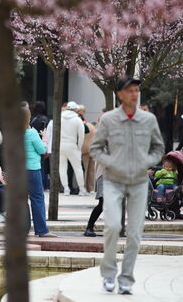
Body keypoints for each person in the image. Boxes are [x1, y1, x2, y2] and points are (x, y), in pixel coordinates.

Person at [90, 77, 164, 295]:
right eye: (130, 90)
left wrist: (147, 162)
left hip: (140, 182)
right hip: (113, 181)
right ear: (120, 94)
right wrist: (111, 162)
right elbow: (96, 148)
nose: (134, 94)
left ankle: (126, 279)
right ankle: (109, 274)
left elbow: (159, 149)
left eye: (136, 90)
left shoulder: (148, 120)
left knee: (134, 233)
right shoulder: (108, 120)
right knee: (112, 226)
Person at [23, 107, 56, 238]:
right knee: (37, 199)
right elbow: (42, 150)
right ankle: (41, 229)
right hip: (32, 169)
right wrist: (44, 139)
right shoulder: (31, 133)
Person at [60, 101, 86, 195]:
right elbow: (81, 136)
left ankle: (66, 188)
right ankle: (82, 189)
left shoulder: (60, 117)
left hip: (61, 145)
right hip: (72, 145)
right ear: (75, 109)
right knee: (78, 168)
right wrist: (79, 147)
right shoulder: (77, 120)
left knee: (62, 167)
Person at [31, 101, 50, 191]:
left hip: (34, 143)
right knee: (43, 165)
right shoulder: (45, 119)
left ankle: (42, 185)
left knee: (41, 164)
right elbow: (45, 133)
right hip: (42, 142)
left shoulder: (33, 119)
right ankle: (44, 184)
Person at [79, 105, 97, 192]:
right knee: (92, 171)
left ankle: (84, 188)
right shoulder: (91, 125)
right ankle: (92, 188)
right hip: (92, 150)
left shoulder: (82, 126)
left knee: (84, 171)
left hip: (84, 150)